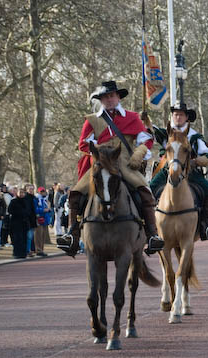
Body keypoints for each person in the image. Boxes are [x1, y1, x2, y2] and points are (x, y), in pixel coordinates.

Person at [57, 80, 164, 256]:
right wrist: (100, 151)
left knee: (145, 192)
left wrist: (139, 153)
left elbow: (146, 139)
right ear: (101, 100)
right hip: (100, 163)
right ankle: (72, 234)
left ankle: (152, 234)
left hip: (126, 164)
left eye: (112, 96)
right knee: (75, 194)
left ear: (118, 97)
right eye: (105, 97)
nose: (109, 99)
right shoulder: (92, 120)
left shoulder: (132, 117)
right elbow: (83, 144)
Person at [149, 101, 208, 240]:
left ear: (187, 117)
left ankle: (205, 225)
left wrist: (197, 161)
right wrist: (146, 121)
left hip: (190, 172)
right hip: (167, 171)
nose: (178, 117)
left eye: (181, 114)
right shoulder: (166, 133)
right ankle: (150, 228)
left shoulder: (194, 136)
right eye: (175, 114)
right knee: (149, 189)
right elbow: (151, 130)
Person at [8, 187, 29, 258]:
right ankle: (16, 253)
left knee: (24, 238)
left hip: (24, 223)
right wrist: (18, 213)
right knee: (17, 238)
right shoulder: (13, 201)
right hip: (16, 223)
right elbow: (10, 210)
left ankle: (23, 253)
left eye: (23, 193)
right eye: (20, 193)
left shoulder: (26, 201)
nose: (21, 194)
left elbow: (29, 211)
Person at [34, 186, 52, 257]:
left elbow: (49, 209)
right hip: (39, 219)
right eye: (41, 191)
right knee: (38, 235)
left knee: (43, 236)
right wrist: (43, 210)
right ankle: (38, 250)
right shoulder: (36, 199)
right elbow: (35, 209)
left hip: (45, 220)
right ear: (38, 192)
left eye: (44, 191)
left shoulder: (45, 200)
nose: (43, 192)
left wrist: (49, 208)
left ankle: (41, 249)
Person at [24, 184, 38, 257]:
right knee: (29, 236)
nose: (31, 190)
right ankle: (27, 250)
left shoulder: (34, 198)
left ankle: (31, 249)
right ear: (27, 190)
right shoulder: (26, 198)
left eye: (32, 189)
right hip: (28, 220)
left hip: (33, 219)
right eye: (30, 189)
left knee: (31, 236)